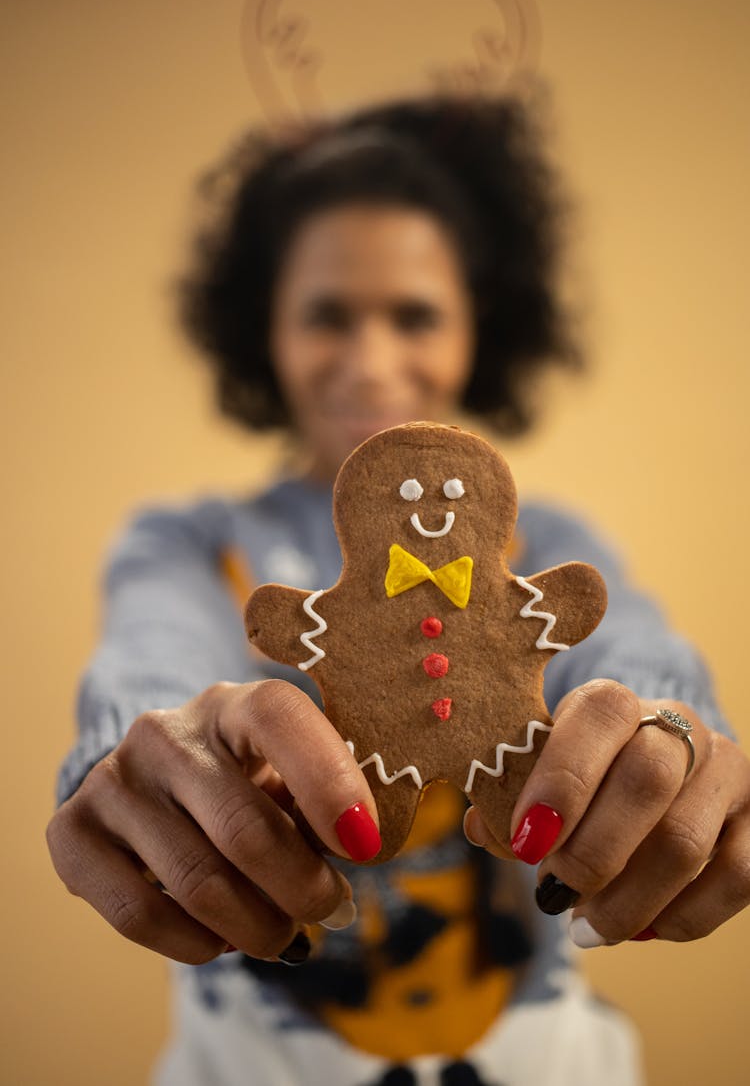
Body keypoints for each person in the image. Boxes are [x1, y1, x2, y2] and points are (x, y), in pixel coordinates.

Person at [46, 94, 750, 1086]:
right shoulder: (188, 545)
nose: (371, 362)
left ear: (481, 327)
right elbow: (147, 665)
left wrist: (674, 737)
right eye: (327, 315)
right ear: (265, 330)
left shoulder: (546, 541)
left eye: (414, 315)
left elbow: (633, 653)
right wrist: (141, 751)